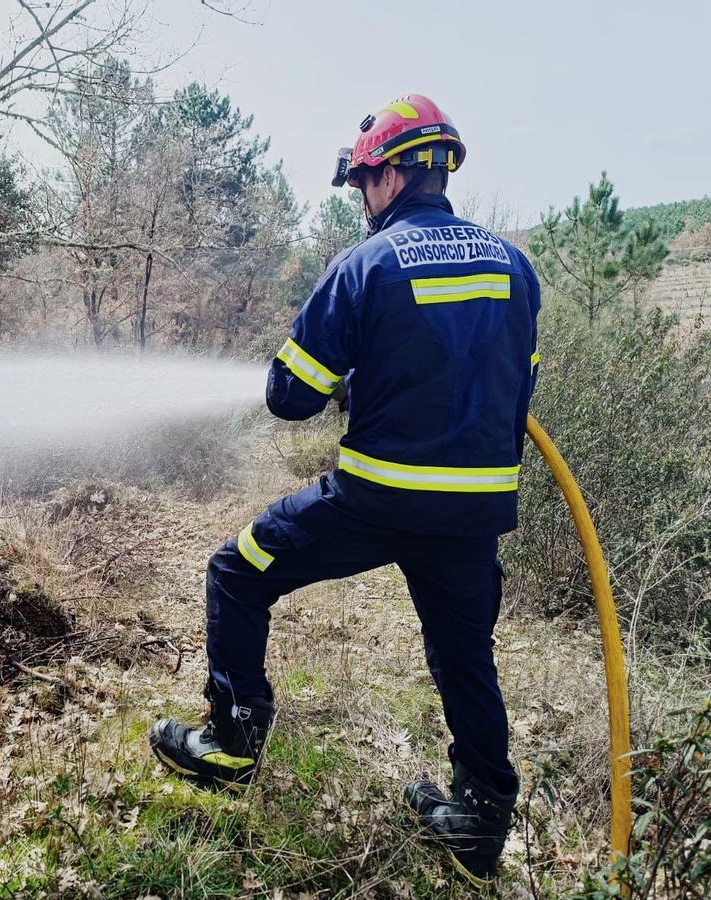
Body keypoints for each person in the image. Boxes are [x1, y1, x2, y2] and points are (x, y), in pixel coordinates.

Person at [147, 94, 541, 886]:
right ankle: (480, 820)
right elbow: (518, 392)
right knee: (466, 654)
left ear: (393, 174)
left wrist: (345, 380)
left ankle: (230, 742)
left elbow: (291, 394)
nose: (363, 198)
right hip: (472, 516)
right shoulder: (515, 266)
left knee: (237, 569)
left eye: (365, 181)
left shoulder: (368, 265)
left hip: (373, 503)